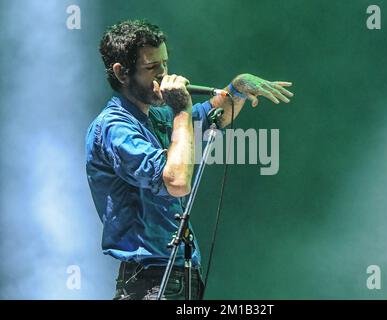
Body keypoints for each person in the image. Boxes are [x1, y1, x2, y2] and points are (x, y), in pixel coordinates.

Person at [85, 19, 293, 300]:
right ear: (122, 73)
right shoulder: (114, 127)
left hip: (175, 276)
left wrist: (237, 87)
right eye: (151, 68)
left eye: (165, 64)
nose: (164, 75)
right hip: (150, 281)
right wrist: (182, 110)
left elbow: (210, 115)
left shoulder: (155, 116)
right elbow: (177, 181)